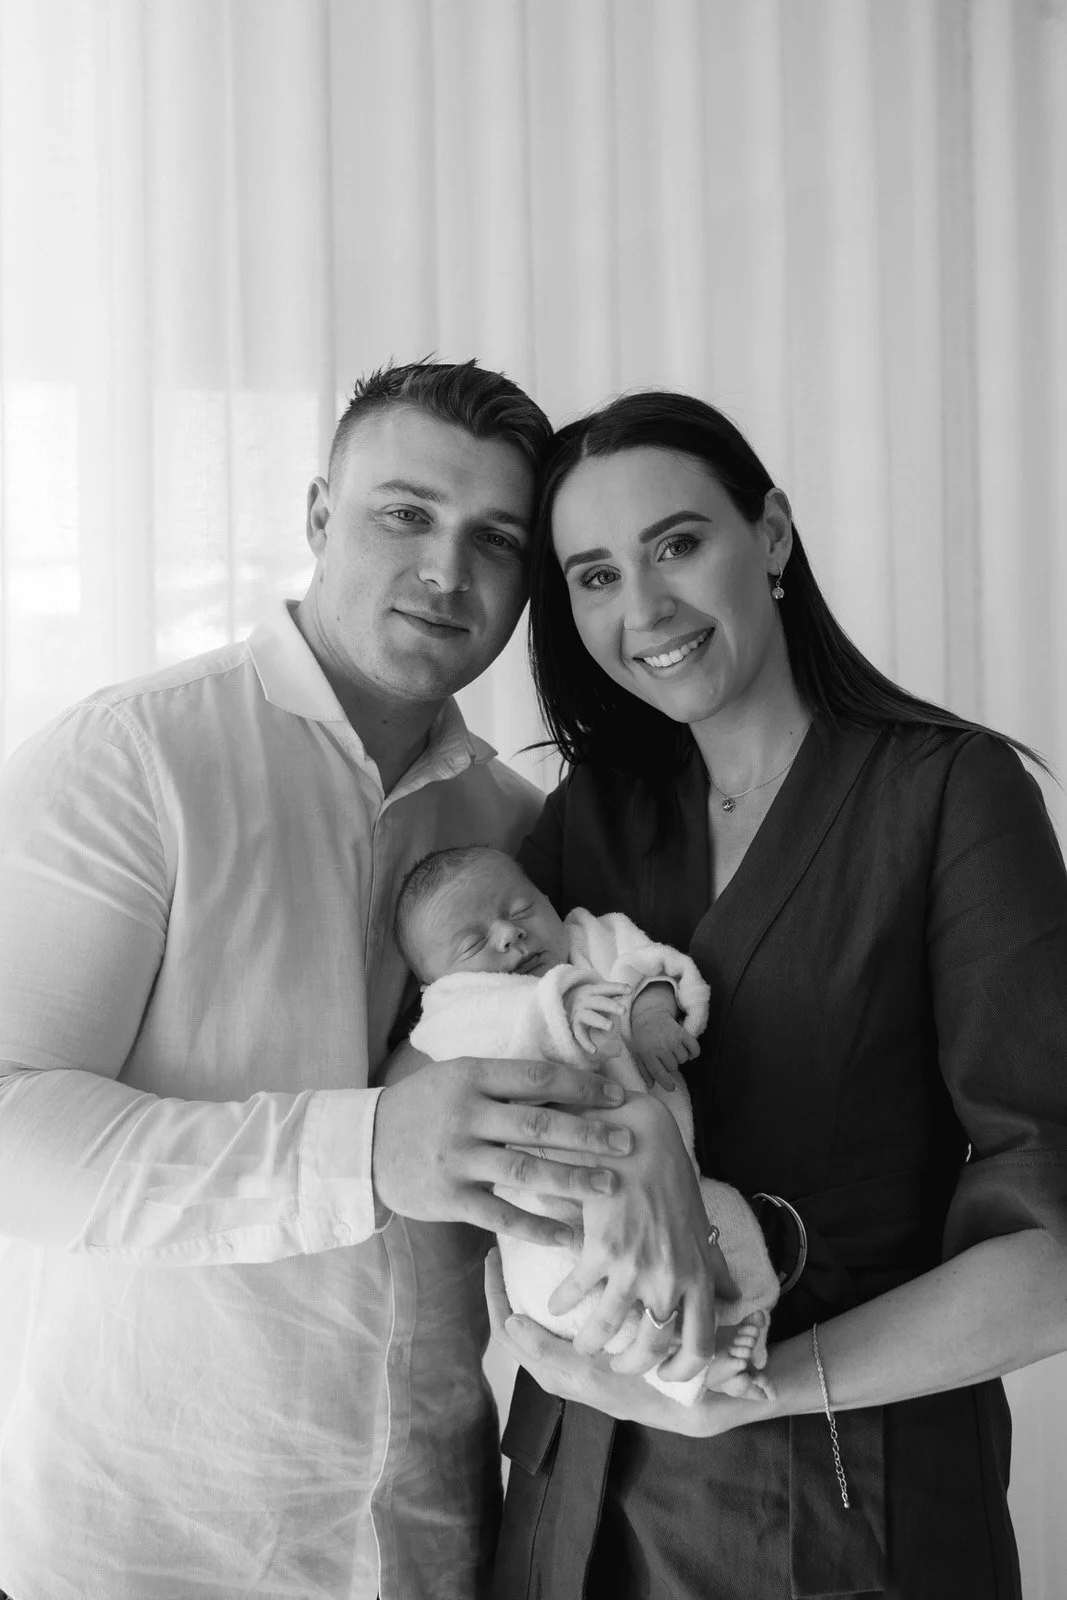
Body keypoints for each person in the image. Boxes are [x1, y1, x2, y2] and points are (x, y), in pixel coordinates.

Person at [0, 360, 653, 1600]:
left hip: (430, 1522)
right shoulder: (130, 761)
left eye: (494, 541)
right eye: (404, 513)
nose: (445, 572)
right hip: (146, 1531)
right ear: (315, 515)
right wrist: (363, 1153)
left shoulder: (517, 829)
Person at [486, 391, 1067, 1599]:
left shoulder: (952, 797)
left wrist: (764, 1385)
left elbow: (1050, 1252)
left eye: (676, 544)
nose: (640, 608)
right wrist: (635, 1136)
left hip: (837, 1510)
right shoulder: (595, 817)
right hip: (570, 1504)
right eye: (592, 575)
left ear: (776, 535)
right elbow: (453, 1058)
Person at [393, 842, 779, 1401]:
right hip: (554, 1215)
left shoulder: (591, 938)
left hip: (677, 1183)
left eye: (521, 909)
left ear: (548, 898)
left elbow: (650, 964)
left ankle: (740, 1321)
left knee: (727, 1219)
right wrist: (560, 1006)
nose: (508, 934)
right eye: (474, 943)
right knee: (586, 1281)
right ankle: (685, 1372)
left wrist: (648, 1013)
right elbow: (472, 1061)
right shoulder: (452, 1012)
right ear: (436, 984)